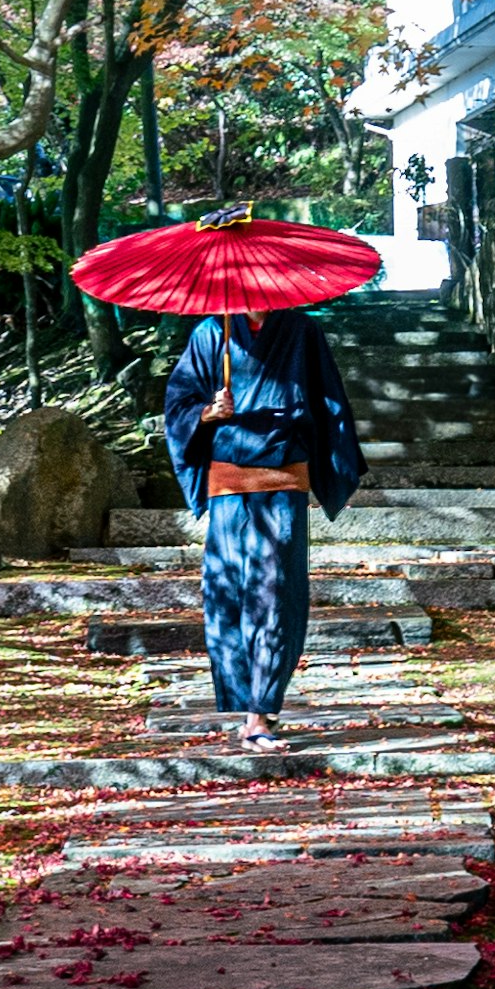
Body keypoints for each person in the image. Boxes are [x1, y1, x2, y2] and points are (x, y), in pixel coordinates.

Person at [160, 304, 365, 737]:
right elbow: (178, 401)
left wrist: (333, 466)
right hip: (229, 479)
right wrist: (206, 412)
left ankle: (261, 710)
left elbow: (328, 398)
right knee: (227, 591)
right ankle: (245, 702)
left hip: (283, 474)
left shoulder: (302, 331)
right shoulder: (210, 333)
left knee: (276, 591)